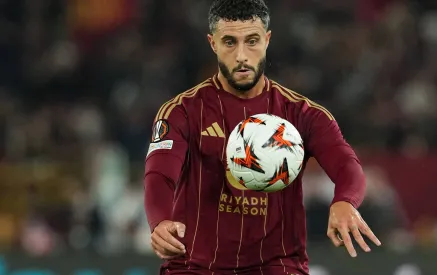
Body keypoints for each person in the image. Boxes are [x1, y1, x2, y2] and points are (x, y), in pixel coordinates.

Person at [144, 0, 381, 274]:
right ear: (213, 44)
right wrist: (160, 221)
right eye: (230, 42)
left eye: (252, 41)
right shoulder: (181, 111)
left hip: (277, 266)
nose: (242, 55)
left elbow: (347, 165)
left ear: (267, 40)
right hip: (195, 266)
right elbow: (160, 175)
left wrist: (345, 201)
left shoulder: (303, 114)